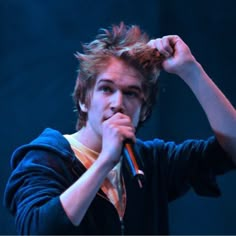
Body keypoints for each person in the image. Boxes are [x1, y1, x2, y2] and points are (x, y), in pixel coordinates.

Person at [4, 22, 236, 235]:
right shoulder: (44, 158)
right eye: (106, 89)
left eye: (131, 93)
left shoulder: (152, 161)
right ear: (84, 98)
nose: (118, 103)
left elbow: (231, 149)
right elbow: (37, 230)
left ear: (144, 110)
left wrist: (191, 71)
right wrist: (105, 160)